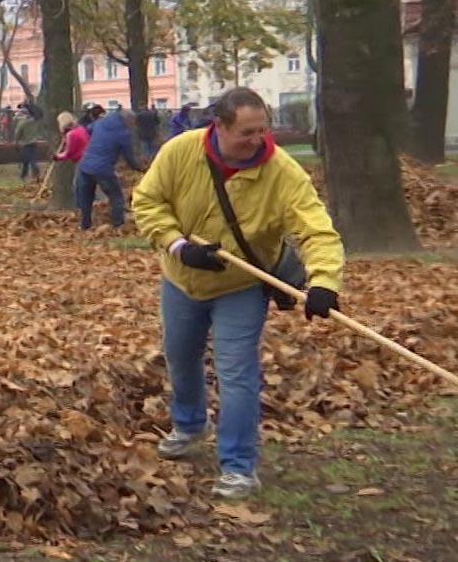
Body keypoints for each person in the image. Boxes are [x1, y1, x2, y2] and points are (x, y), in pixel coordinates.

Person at [132, 87, 344, 500]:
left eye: (262, 130)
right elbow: (148, 202)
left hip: (241, 286)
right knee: (180, 354)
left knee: (236, 372)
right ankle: (190, 424)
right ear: (220, 125)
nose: (257, 140)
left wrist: (324, 282)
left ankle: (238, 466)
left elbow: (315, 228)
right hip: (182, 278)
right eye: (247, 132)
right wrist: (178, 246)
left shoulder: (281, 171)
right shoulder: (180, 152)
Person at [76, 108, 143, 230]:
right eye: (132, 122)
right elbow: (129, 158)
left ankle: (84, 225)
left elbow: (87, 130)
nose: (132, 125)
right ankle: (118, 225)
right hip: (103, 168)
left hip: (85, 165)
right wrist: (141, 169)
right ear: (127, 120)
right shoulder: (124, 134)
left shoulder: (100, 122)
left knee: (86, 198)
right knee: (116, 196)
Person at [13, 105, 47, 182]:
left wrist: (16, 143)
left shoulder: (22, 123)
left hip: (25, 144)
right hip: (34, 143)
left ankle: (34, 173)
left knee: (29, 160)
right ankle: (24, 175)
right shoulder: (34, 121)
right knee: (28, 159)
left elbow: (18, 134)